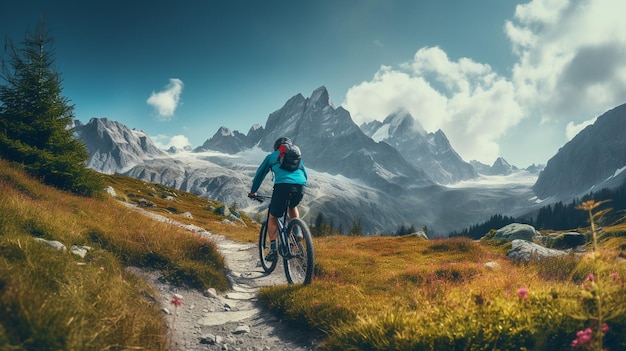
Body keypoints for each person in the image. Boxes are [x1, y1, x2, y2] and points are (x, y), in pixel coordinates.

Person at [248, 137, 308, 261]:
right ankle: (297, 232)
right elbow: (305, 174)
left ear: (277, 147)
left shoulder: (272, 156)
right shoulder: (297, 157)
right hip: (301, 186)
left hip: (282, 187)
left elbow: (260, 174)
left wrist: (253, 191)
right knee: (292, 206)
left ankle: (273, 250)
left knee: (273, 217)